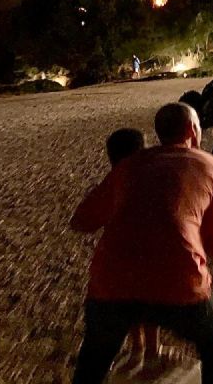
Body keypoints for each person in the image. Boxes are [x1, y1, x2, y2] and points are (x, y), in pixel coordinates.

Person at [70, 102, 213, 384]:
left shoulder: (129, 166)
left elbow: (81, 222)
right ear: (192, 129)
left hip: (111, 284)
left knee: (93, 360)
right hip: (180, 282)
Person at [70, 128, 159, 369]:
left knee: (130, 303)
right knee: (148, 303)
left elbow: (80, 222)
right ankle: (150, 349)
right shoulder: (153, 179)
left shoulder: (115, 184)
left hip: (124, 257)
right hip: (151, 255)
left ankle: (139, 347)